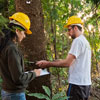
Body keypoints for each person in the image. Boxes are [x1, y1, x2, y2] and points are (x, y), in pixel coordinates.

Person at [36, 16, 91, 100]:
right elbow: (70, 61)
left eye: (69, 29)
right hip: (85, 85)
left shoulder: (78, 41)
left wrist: (48, 64)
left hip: (77, 85)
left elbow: (67, 63)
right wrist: (49, 61)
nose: (68, 33)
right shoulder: (85, 41)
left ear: (75, 28)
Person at [0, 12, 41, 100]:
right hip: (14, 95)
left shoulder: (4, 45)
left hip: (8, 92)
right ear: (17, 31)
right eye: (24, 32)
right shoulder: (11, 49)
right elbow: (18, 79)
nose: (24, 36)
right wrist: (34, 73)